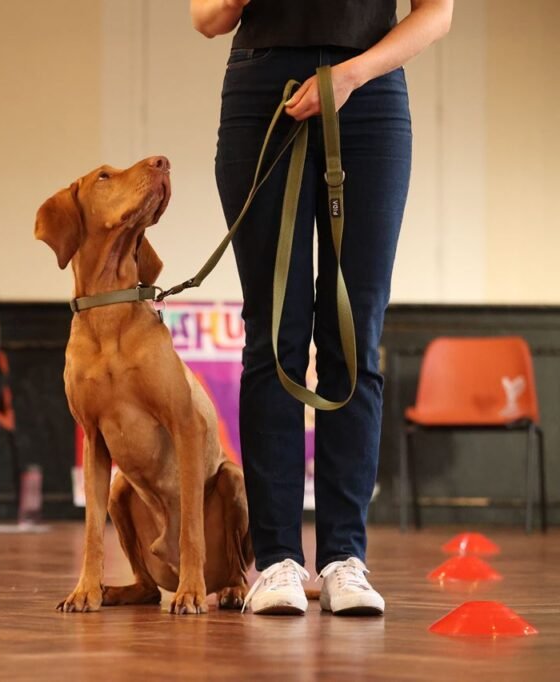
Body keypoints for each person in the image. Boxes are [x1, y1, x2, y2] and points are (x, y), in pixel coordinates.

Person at [190, 0, 453, 615]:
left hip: (371, 92)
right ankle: (277, 558)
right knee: (273, 332)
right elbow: (207, 17)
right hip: (263, 89)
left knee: (354, 331)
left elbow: (437, 14)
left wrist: (352, 76)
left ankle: (344, 558)